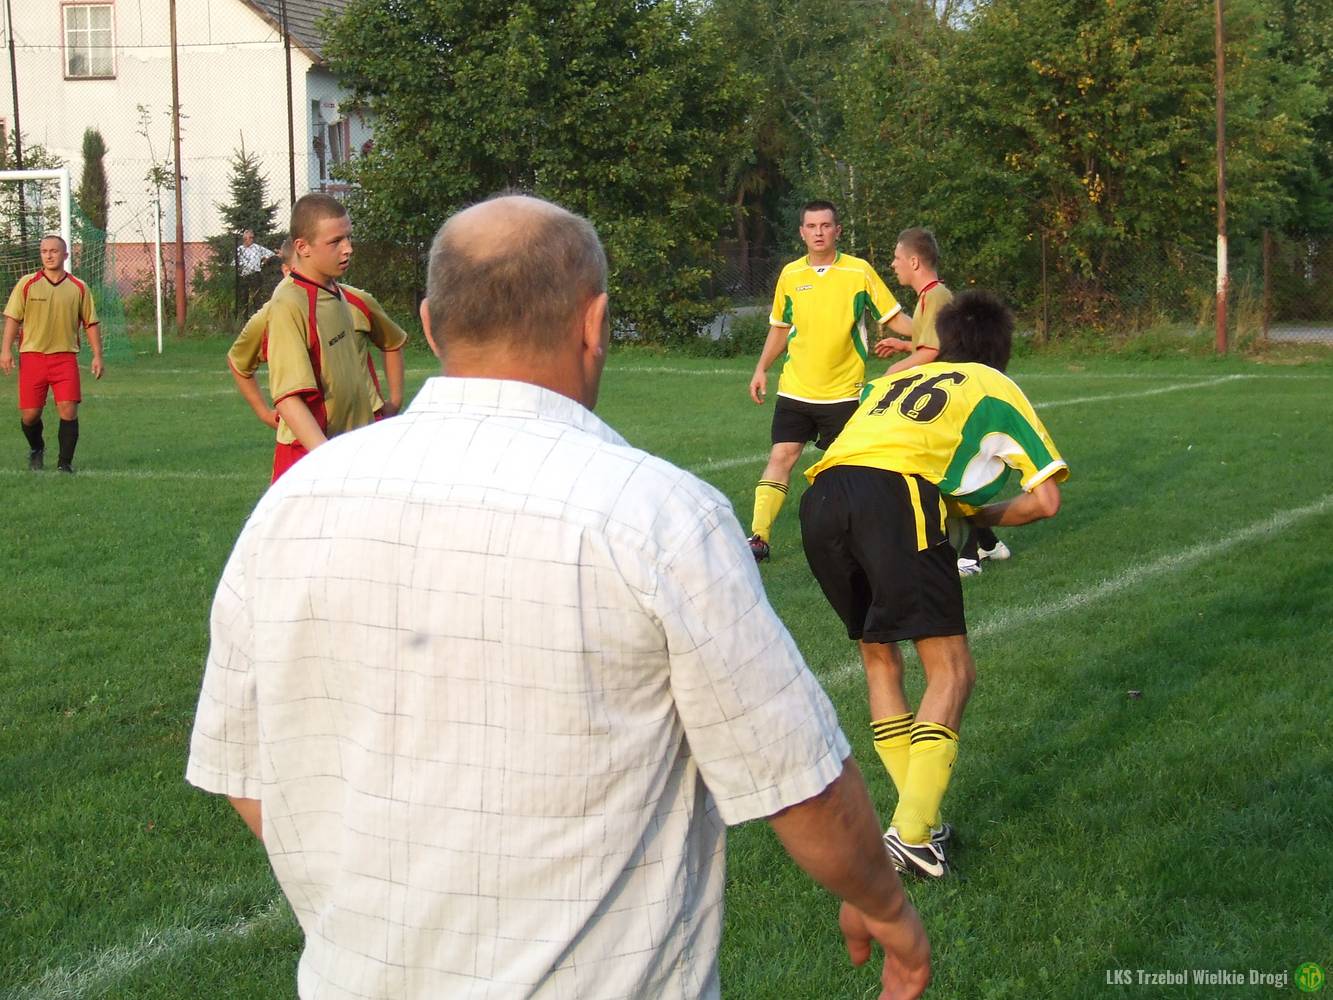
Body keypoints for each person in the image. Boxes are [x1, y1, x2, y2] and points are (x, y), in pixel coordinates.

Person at [187, 194, 931, 1000]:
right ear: (594, 323)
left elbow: (242, 767)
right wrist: (883, 904)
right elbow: (796, 775)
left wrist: (368, 907)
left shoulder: (292, 505)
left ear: (431, 326)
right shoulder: (661, 516)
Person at [801, 289, 1067, 879]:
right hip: (895, 498)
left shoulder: (892, 382)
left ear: (942, 342)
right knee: (952, 670)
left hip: (821, 498)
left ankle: (919, 825)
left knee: (880, 660)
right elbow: (1046, 499)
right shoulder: (993, 384)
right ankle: (911, 832)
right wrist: (980, 515)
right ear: (1001, 352)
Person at [747, 200, 913, 562]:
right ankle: (759, 537)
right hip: (796, 389)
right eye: (812, 226)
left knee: (851, 470)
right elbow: (780, 327)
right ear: (802, 232)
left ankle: (869, 535)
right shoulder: (791, 275)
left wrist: (931, 334)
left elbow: (894, 318)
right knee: (782, 455)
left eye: (825, 226)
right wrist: (761, 368)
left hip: (843, 394)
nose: (818, 232)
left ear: (837, 231)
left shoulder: (859, 271)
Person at [873, 227, 1009, 575]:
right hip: (941, 397)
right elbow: (932, 344)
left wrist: (891, 374)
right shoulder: (928, 297)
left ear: (914, 261)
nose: (893, 264)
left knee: (948, 475)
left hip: (953, 400)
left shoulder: (936, 296)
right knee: (938, 475)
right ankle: (989, 544)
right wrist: (905, 346)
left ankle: (969, 556)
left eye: (897, 258)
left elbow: (933, 353)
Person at [261, 193, 407, 481]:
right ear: (302, 247)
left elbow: (391, 343)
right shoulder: (289, 303)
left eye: (348, 238)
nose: (348, 249)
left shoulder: (335, 292)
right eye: (335, 241)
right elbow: (289, 400)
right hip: (312, 458)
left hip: (352, 447)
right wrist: (329, 461)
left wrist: (393, 403)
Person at [227, 239, 407, 446]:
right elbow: (238, 361)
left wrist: (394, 401)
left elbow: (392, 342)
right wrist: (265, 414)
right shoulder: (276, 311)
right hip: (305, 437)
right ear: (286, 270)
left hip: (365, 425)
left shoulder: (356, 300)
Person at [0, 235, 103, 473]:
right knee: (30, 415)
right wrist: (5, 350)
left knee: (68, 410)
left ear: (65, 255)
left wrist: (97, 355)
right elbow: (13, 318)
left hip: (65, 358)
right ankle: (37, 448)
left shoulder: (78, 287)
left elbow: (90, 322)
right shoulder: (27, 283)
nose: (49, 255)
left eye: (54, 251)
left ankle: (64, 465)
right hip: (32, 357)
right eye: (44, 251)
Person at [236, 229, 277, 314]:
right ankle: (244, 316)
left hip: (255, 274)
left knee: (257, 297)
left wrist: (264, 260)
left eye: (252, 237)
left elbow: (271, 254)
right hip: (243, 275)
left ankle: (258, 315)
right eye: (249, 237)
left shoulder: (257, 248)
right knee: (244, 297)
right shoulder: (240, 249)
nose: (251, 239)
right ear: (244, 239)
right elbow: (234, 263)